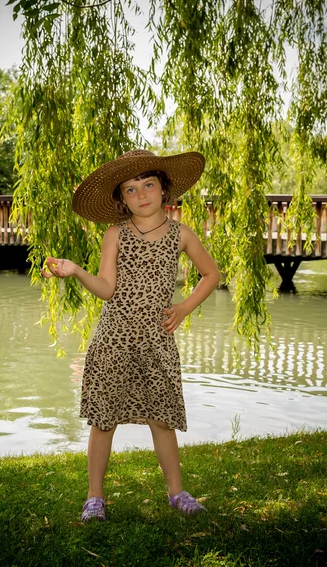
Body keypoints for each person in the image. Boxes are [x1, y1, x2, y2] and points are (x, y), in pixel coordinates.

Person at [41, 150, 220, 522]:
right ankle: (95, 498)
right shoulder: (115, 234)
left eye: (148, 184)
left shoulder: (181, 234)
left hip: (157, 338)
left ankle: (177, 493)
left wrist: (184, 307)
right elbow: (106, 289)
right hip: (114, 338)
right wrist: (75, 270)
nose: (141, 195)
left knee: (162, 418)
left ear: (164, 188)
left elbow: (211, 275)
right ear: (121, 199)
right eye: (131, 189)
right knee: (103, 419)